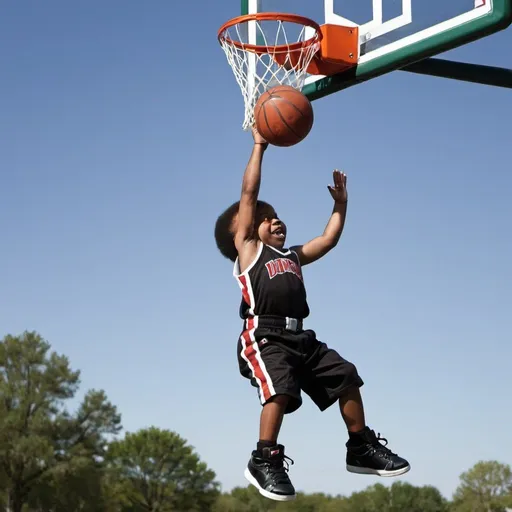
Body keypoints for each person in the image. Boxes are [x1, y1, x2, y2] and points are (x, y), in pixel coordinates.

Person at [214, 127, 410, 502]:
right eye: (265, 218)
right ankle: (264, 457)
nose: (275, 221)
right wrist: (259, 146)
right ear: (246, 230)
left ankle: (360, 446)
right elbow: (249, 194)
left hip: (301, 337)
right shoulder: (250, 252)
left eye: (277, 217)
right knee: (280, 389)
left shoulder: (292, 256)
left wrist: (341, 204)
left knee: (346, 376)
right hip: (264, 335)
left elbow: (328, 239)